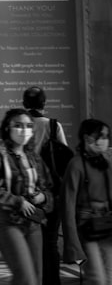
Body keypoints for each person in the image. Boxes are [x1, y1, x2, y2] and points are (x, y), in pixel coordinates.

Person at [0, 107, 53, 285]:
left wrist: (43, 197)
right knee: (25, 278)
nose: (23, 130)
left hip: (33, 222)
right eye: (18, 125)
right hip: (9, 222)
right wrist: (18, 202)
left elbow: (48, 188)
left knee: (37, 278)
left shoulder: (34, 157)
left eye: (27, 126)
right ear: (7, 128)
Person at [23, 85, 69, 285]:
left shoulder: (19, 126)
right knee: (50, 242)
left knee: (29, 241)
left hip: (27, 192)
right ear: (45, 103)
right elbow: (65, 156)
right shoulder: (53, 126)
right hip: (51, 191)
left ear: (24, 104)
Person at [62, 119, 112, 285]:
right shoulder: (76, 165)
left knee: (109, 276)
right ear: (86, 138)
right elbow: (68, 206)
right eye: (99, 136)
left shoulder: (107, 163)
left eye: (106, 136)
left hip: (108, 226)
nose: (103, 140)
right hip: (87, 228)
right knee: (96, 278)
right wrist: (73, 243)